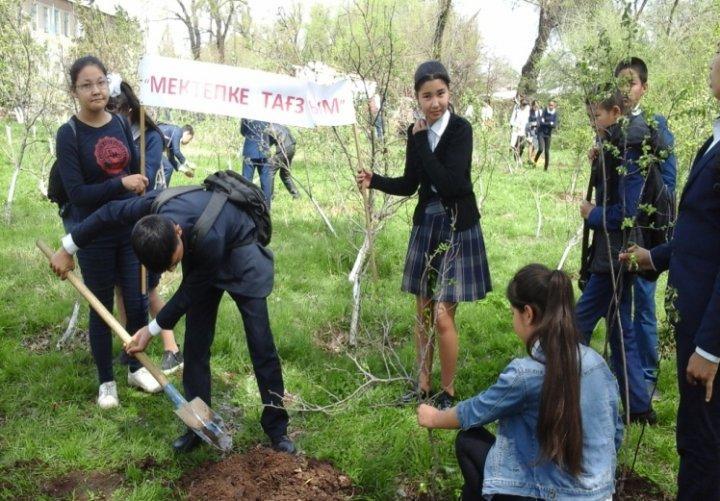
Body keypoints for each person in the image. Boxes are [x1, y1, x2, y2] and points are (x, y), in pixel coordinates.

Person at [49, 187, 295, 455]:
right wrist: (68, 247)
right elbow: (109, 213)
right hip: (198, 250)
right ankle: (197, 426)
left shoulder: (209, 239)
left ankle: (277, 429)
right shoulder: (155, 207)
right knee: (195, 347)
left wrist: (151, 329)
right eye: (167, 268)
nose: (173, 270)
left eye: (174, 262)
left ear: (177, 231)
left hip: (240, 252)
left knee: (261, 345)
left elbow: (189, 292)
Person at [417, 264, 622, 501]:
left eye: (512, 312)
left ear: (528, 313)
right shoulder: (597, 363)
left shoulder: (525, 374)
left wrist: (433, 417)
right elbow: (615, 432)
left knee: (468, 440)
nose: (512, 318)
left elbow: (478, 410)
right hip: (600, 493)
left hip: (548, 494)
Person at [356, 60, 492, 410]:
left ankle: (447, 393)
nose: (435, 103)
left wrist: (422, 144)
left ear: (450, 93)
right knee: (423, 311)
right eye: (427, 96)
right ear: (417, 97)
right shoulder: (415, 132)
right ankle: (422, 386)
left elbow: (451, 182)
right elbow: (411, 183)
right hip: (426, 226)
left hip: (457, 226)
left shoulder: (461, 129)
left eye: (441, 94)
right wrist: (376, 181)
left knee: (444, 314)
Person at [620, 47, 720, 499]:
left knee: (704, 442)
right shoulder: (714, 141)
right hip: (693, 312)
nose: (712, 61)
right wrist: (656, 257)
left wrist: (711, 347)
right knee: (693, 435)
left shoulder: (660, 129)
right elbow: (703, 232)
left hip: (707, 328)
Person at [55, 55, 159, 409]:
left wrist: (139, 182)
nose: (96, 90)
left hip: (128, 229)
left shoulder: (117, 122)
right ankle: (106, 381)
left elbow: (130, 168)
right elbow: (78, 194)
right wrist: (122, 185)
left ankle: (134, 366)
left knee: (137, 300)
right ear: (75, 91)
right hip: (93, 234)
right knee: (100, 307)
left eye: (100, 82)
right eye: (87, 84)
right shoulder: (68, 134)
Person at [576, 85, 654, 423]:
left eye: (598, 116)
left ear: (616, 115)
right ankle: (639, 407)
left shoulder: (629, 150)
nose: (594, 122)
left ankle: (556, 389)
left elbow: (628, 212)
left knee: (575, 327)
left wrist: (592, 213)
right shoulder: (613, 144)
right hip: (611, 256)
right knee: (622, 334)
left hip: (616, 258)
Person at [107, 80, 184, 374]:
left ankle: (171, 349)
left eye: (116, 109)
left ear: (128, 108)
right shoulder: (110, 134)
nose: (112, 114)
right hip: (119, 219)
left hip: (147, 220)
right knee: (123, 290)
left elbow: (147, 176)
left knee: (148, 289)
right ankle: (131, 346)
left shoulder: (149, 137)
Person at [614, 57, 677, 401]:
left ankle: (647, 376)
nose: (626, 91)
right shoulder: (611, 124)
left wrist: (659, 219)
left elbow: (668, 177)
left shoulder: (655, 124)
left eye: (632, 83)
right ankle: (622, 369)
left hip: (646, 227)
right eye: (620, 83)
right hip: (617, 227)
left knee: (645, 300)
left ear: (643, 87)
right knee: (618, 297)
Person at [240, 118, 273, 206]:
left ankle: (245, 205)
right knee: (266, 181)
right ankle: (267, 207)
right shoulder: (267, 112)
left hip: (249, 150)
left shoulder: (247, 113)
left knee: (246, 181)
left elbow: (243, 131)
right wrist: (266, 144)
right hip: (264, 151)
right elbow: (273, 133)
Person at [266, 123, 300, 199]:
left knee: (269, 171)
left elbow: (266, 146)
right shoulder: (278, 125)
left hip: (284, 149)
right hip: (292, 147)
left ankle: (269, 197)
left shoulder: (268, 128)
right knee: (284, 174)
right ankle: (296, 195)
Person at [157, 123, 195, 187]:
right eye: (190, 139)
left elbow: (171, 158)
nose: (189, 141)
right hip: (150, 147)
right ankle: (161, 192)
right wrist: (187, 162)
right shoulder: (178, 131)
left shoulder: (173, 135)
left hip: (153, 148)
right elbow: (176, 151)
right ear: (187, 133)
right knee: (168, 168)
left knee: (167, 167)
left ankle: (160, 190)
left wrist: (184, 170)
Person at [534, 99, 559, 170]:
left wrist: (546, 122)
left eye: (552, 105)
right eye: (549, 105)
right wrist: (549, 123)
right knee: (541, 149)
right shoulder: (545, 111)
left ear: (554, 106)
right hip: (541, 132)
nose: (550, 106)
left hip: (548, 134)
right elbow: (541, 123)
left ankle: (546, 168)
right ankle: (534, 162)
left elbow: (554, 125)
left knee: (547, 151)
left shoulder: (555, 114)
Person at [509, 98, 530, 162]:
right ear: (520, 104)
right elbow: (513, 117)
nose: (523, 106)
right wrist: (512, 125)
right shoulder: (516, 108)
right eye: (522, 105)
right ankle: (515, 158)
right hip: (516, 128)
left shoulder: (527, 108)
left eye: (525, 105)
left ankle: (518, 157)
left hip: (524, 129)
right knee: (514, 144)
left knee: (523, 145)